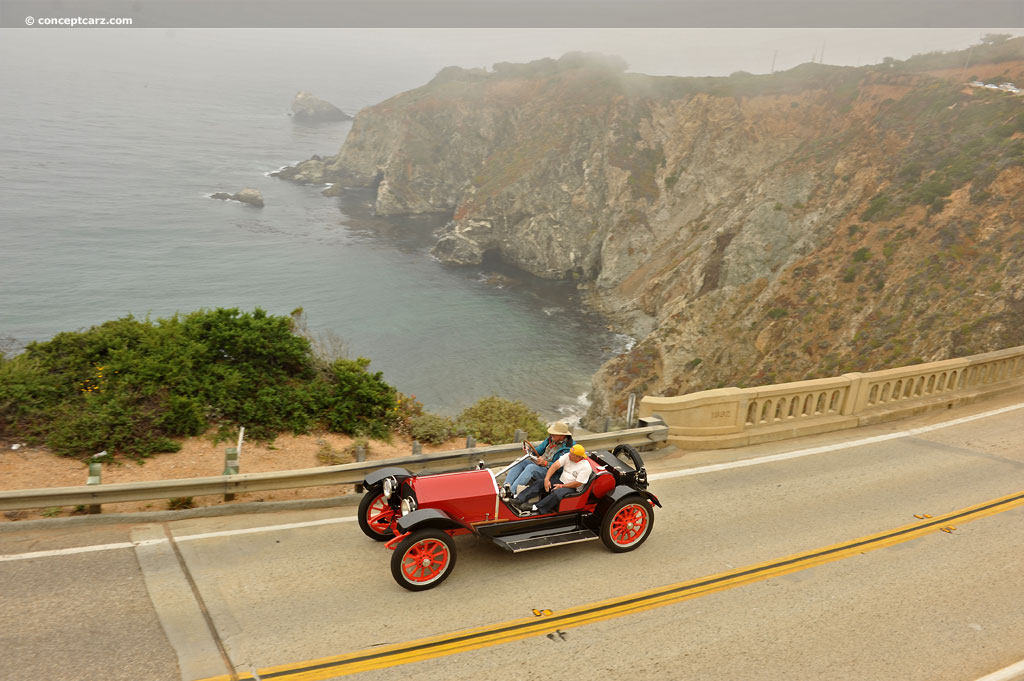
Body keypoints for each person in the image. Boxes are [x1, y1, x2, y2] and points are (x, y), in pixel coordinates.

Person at [513, 444, 592, 514]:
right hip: (561, 481)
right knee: (541, 482)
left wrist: (562, 486)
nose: (569, 455)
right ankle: (520, 498)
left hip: (572, 488)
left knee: (557, 493)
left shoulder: (585, 467)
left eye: (572, 454)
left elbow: (578, 483)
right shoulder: (568, 456)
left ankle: (536, 507)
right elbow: (554, 466)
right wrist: (547, 479)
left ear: (579, 457)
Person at [504, 422, 574, 495]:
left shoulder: (569, 448)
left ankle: (511, 492)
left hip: (552, 473)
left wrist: (545, 463)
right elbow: (540, 449)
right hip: (541, 465)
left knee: (531, 468)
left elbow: (561, 468)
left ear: (562, 435)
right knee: (521, 461)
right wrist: (530, 450)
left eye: (554, 433)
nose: (551, 435)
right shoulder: (551, 439)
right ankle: (506, 487)